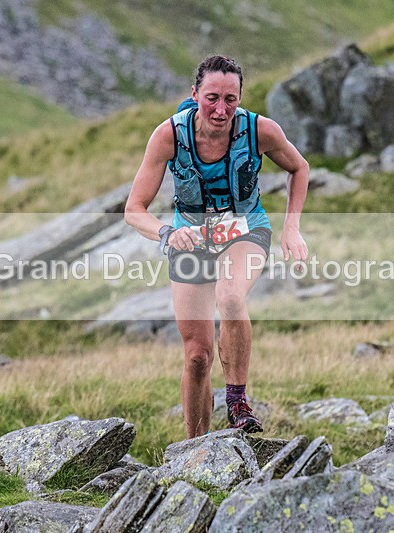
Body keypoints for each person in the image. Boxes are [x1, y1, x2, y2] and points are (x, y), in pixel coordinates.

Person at [125, 55, 309, 438]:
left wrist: (292, 226)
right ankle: (197, 450)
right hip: (190, 239)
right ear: (194, 94)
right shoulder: (169, 136)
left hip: (246, 232)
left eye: (231, 99)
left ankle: (238, 402)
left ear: (240, 98)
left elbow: (299, 167)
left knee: (229, 294)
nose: (221, 109)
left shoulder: (260, 131)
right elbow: (134, 210)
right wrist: (166, 233)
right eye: (212, 98)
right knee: (196, 356)